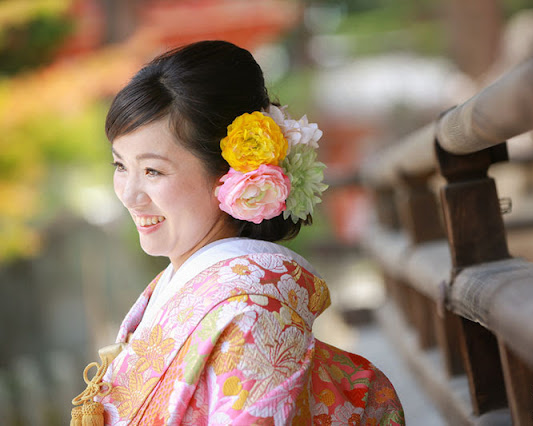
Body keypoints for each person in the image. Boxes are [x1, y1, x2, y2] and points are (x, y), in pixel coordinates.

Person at [71, 40, 404, 425]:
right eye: (120, 166)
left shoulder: (252, 312)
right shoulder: (179, 287)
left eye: (153, 171)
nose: (129, 195)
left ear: (230, 172)